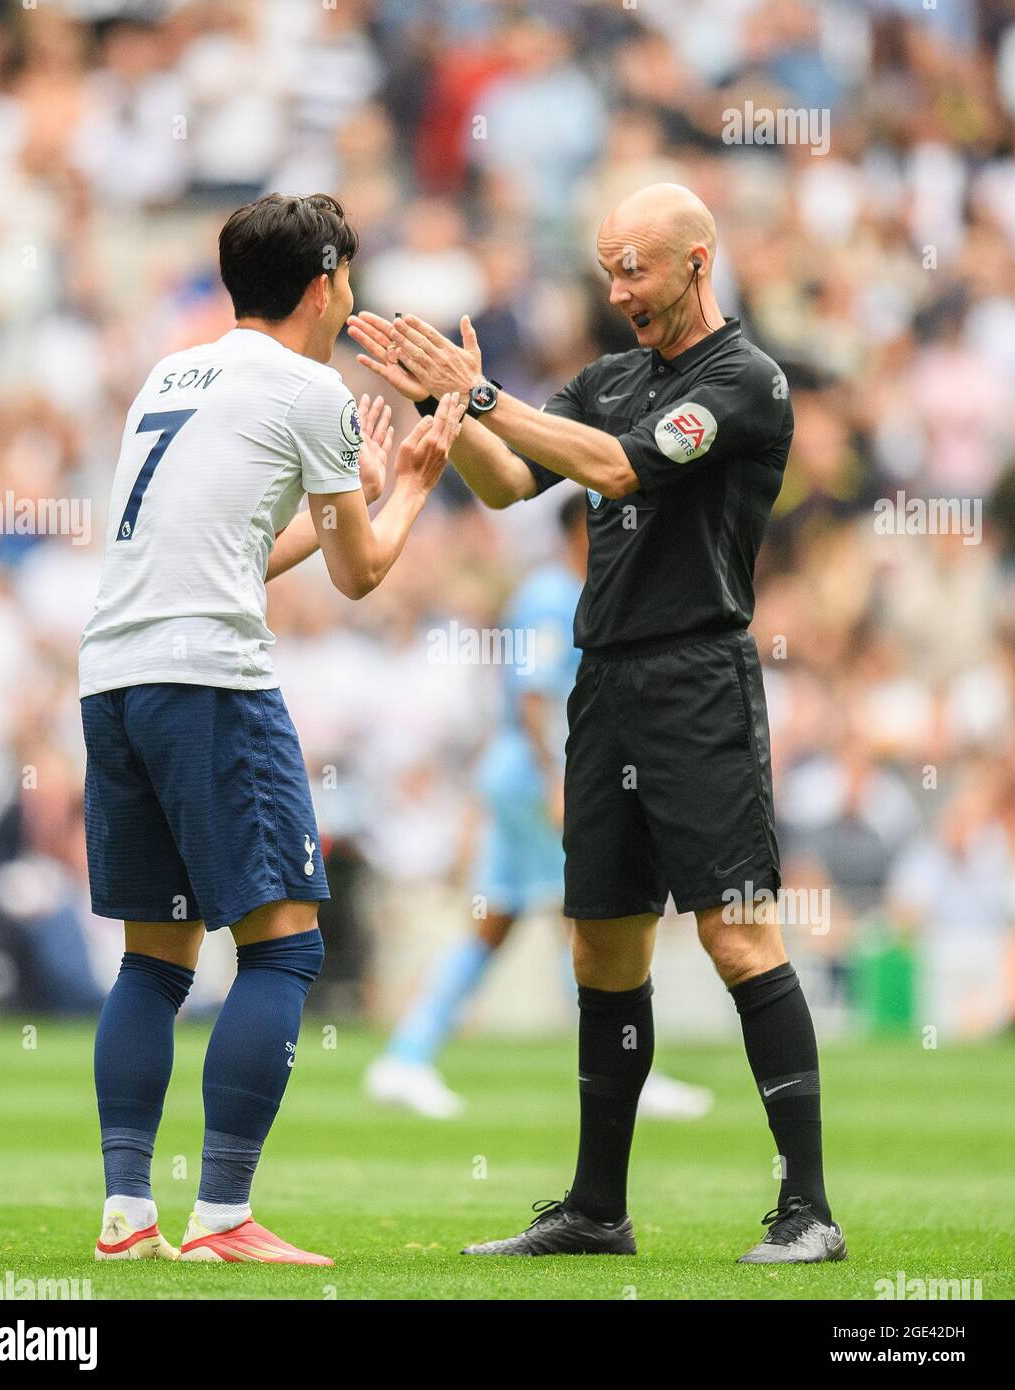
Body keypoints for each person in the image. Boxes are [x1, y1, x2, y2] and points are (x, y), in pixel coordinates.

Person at [348, 182, 845, 1264]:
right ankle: (595, 1209)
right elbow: (510, 481)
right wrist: (453, 422)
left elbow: (619, 466)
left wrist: (479, 393)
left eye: (637, 268)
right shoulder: (609, 376)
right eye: (609, 269)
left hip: (698, 680)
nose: (619, 289)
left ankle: (806, 1209)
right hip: (604, 681)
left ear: (696, 263)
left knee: (734, 931)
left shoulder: (743, 380)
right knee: (604, 948)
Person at [80, 192, 463, 1266]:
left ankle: (126, 1212)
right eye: (348, 278)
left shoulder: (171, 371)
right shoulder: (312, 389)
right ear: (322, 285)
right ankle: (222, 1216)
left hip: (114, 677)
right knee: (285, 948)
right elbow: (361, 573)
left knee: (153, 961)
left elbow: (231, 550)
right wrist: (414, 486)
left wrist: (357, 488)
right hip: (211, 683)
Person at [365, 490, 713, 1121]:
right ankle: (626, 1069)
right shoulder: (553, 598)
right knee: (590, 923)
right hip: (538, 781)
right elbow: (534, 698)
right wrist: (558, 783)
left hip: (522, 778)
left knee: (499, 924)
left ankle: (407, 1055)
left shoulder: (565, 591)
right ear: (582, 528)